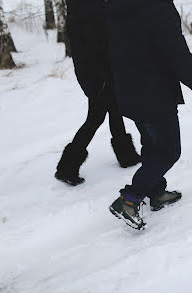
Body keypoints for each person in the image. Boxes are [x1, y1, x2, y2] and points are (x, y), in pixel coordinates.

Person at [106, 0, 192, 229]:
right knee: (168, 151)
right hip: (154, 94)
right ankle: (130, 199)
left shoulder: (116, 6)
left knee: (152, 144)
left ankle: (156, 192)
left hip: (129, 90)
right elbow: (177, 55)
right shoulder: (157, 7)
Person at [55, 0, 141, 186]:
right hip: (99, 74)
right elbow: (97, 45)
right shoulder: (89, 8)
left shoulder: (79, 8)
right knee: (95, 117)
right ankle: (66, 168)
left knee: (115, 110)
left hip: (95, 72)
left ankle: (127, 156)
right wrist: (105, 76)